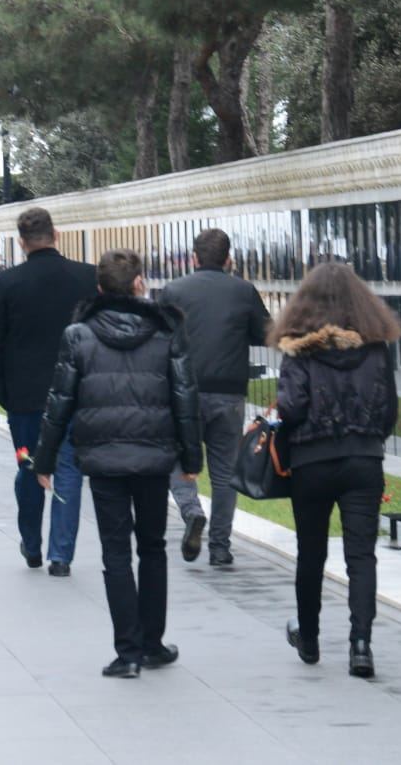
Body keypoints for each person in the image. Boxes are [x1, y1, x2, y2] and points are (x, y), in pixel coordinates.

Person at [32, 249, 202, 679]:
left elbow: (60, 401)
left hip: (103, 456)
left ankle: (127, 653)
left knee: (115, 552)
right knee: (153, 548)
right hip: (153, 454)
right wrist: (191, 457)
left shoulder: (79, 334)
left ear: (101, 288)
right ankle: (153, 644)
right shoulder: (167, 331)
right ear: (139, 283)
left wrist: (45, 458)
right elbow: (185, 397)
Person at [272, 262, 399, 679]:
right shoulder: (377, 346)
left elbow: (291, 409)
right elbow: (388, 411)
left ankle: (308, 637)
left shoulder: (297, 349)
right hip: (364, 459)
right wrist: (366, 438)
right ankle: (360, 645)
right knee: (361, 555)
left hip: (311, 462)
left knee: (311, 552)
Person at [0, 208, 96, 576]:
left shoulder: (8, 281)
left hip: (27, 400)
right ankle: (60, 556)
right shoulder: (86, 277)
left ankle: (31, 544)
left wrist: (6, 389)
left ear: (21, 242)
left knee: (29, 464)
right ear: (56, 235)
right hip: (75, 394)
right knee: (68, 470)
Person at [158, 228, 270, 567]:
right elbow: (264, 334)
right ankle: (219, 547)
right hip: (229, 393)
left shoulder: (173, 291)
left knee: (177, 459)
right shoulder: (243, 291)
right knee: (224, 472)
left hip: (183, 391)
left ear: (194, 258)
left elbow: (158, 339)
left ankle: (192, 511)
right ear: (228, 259)